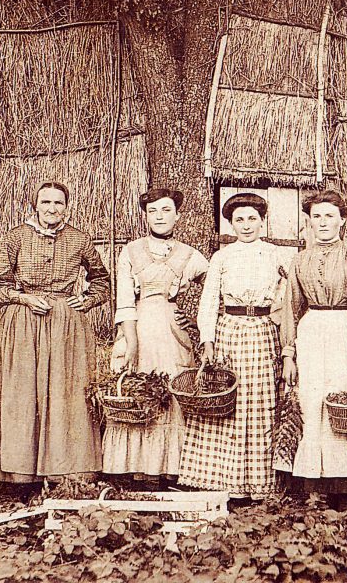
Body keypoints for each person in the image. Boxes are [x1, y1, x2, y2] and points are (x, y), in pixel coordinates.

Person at [0, 182, 110, 482]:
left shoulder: (80, 240)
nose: (52, 208)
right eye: (45, 202)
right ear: (34, 206)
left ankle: (66, 471)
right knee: (21, 396)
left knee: (66, 394)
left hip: (65, 325)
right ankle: (20, 476)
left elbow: (103, 282)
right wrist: (22, 298)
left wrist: (87, 300)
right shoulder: (15, 238)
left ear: (67, 206)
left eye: (58, 203)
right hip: (23, 323)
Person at [275, 190, 347, 510]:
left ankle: (344, 490)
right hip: (310, 337)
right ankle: (313, 485)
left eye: (329, 216)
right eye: (316, 216)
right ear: (308, 222)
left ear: (342, 221)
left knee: (343, 403)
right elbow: (290, 310)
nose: (323, 222)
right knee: (312, 406)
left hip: (342, 336)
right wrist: (288, 355)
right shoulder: (299, 260)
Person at [178, 192, 285, 499]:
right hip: (229, 335)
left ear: (263, 222)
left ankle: (260, 483)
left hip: (264, 334)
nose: (247, 225)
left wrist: (280, 320)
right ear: (231, 224)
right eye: (239, 220)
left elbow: (290, 295)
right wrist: (208, 340)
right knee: (229, 403)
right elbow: (209, 300)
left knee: (260, 404)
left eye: (253, 219)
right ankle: (226, 482)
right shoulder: (222, 257)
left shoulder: (276, 255)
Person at [103, 188, 209, 486]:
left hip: (173, 331)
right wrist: (130, 342)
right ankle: (136, 469)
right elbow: (123, 299)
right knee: (139, 388)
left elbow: (215, 290)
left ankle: (172, 470)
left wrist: (196, 322)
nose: (160, 217)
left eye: (166, 210)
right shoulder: (132, 251)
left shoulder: (190, 255)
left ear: (177, 215)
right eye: (153, 211)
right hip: (137, 326)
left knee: (173, 391)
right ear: (145, 216)